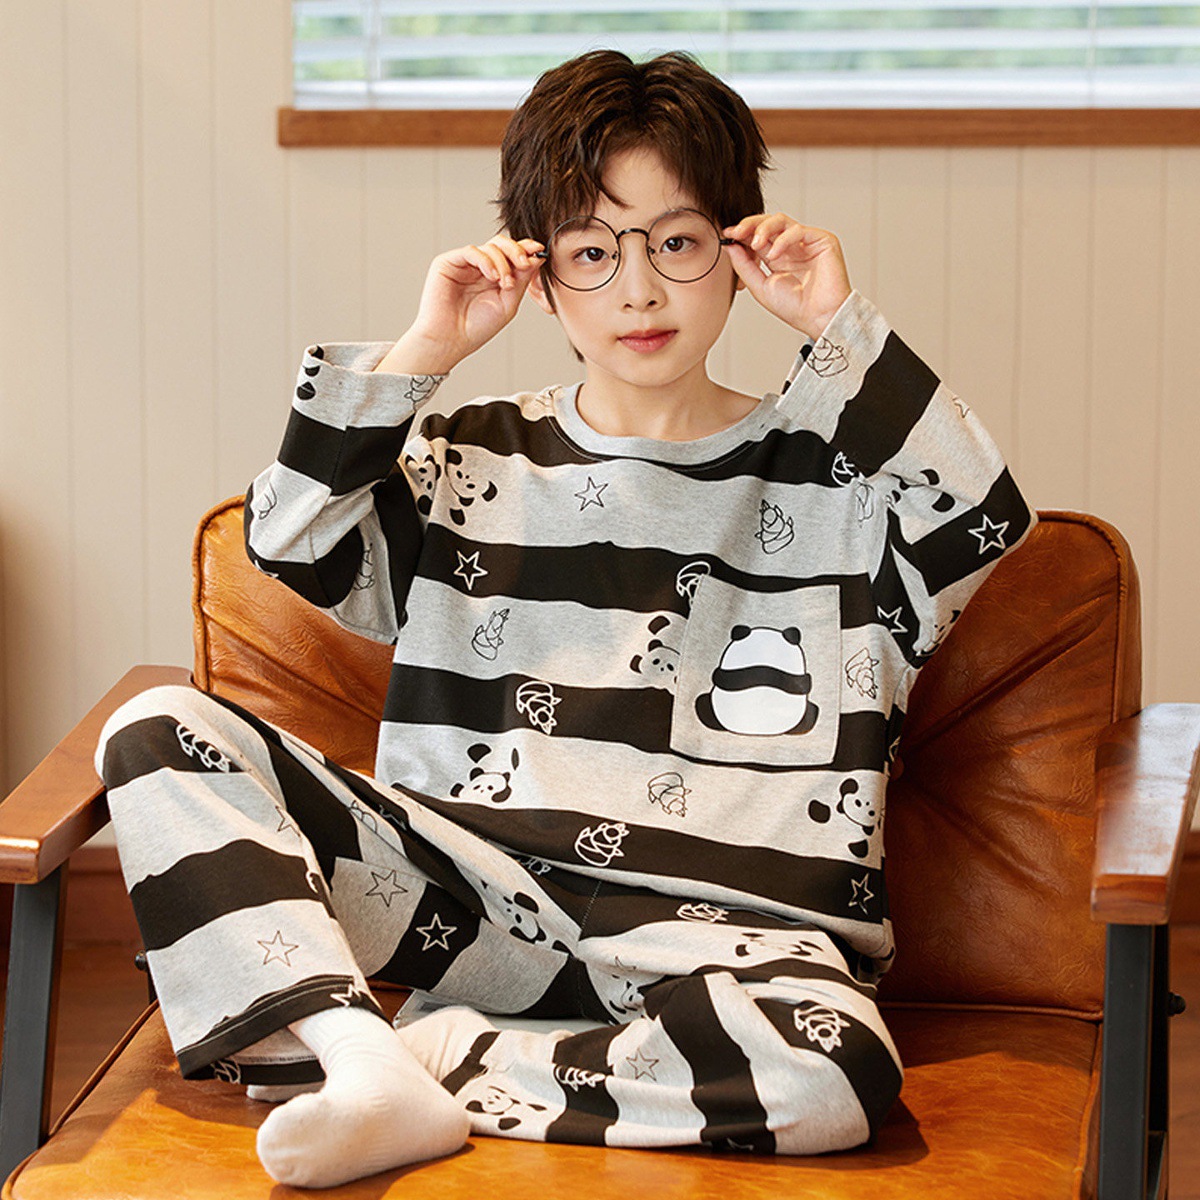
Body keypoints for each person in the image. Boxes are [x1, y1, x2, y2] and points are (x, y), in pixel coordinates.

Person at [95, 49, 1035, 1189]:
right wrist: (427, 352)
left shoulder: (843, 477)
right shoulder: (469, 459)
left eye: (677, 243)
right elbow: (291, 536)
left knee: (830, 1078)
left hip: (735, 945)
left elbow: (983, 518)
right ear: (541, 280)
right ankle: (364, 1055)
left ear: (738, 253)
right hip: (477, 908)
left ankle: (412, 1064)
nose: (638, 292)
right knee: (155, 728)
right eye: (593, 252)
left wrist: (837, 322)